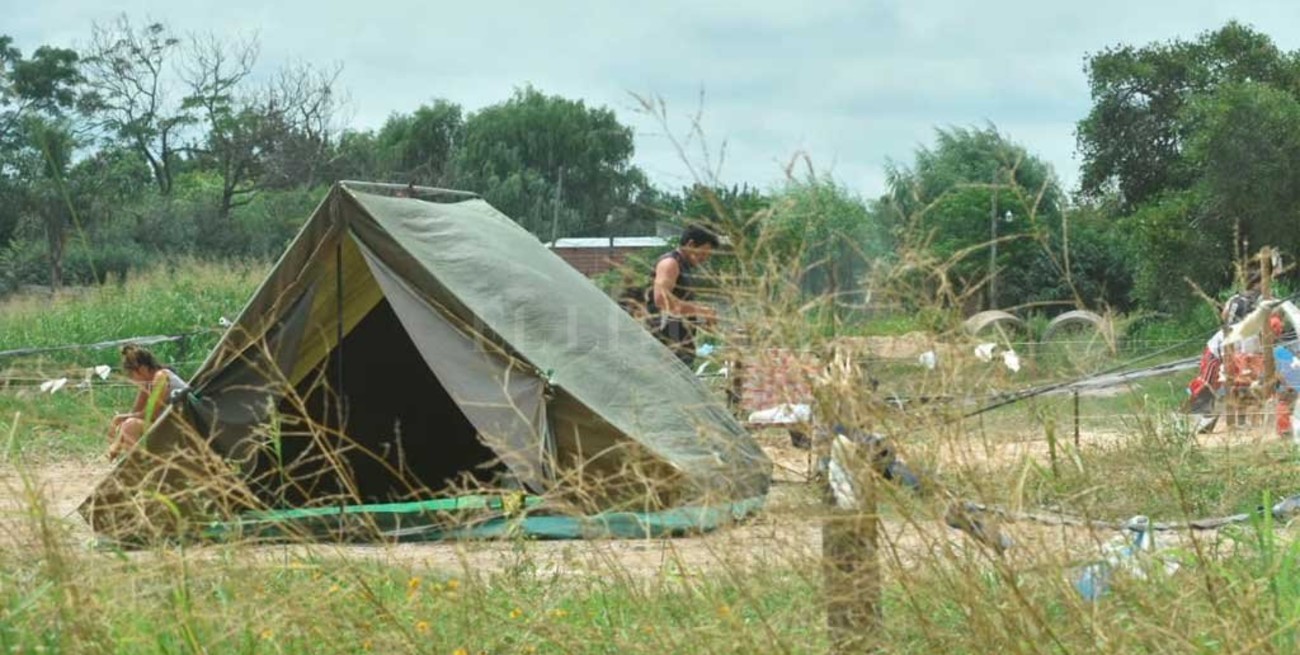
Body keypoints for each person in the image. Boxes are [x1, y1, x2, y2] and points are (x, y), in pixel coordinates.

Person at [645, 225, 721, 366]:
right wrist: (701, 311)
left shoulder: (684, 266)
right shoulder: (670, 263)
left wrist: (700, 320)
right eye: (702, 254)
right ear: (690, 244)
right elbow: (661, 300)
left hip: (680, 342)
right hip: (666, 344)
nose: (704, 259)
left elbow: (677, 310)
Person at [106, 344, 189, 459]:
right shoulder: (147, 383)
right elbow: (136, 411)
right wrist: (120, 422)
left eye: (131, 374)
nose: (131, 379)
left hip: (182, 429)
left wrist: (120, 422)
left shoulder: (161, 377)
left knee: (131, 426)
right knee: (125, 424)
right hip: (167, 425)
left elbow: (150, 414)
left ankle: (137, 467)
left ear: (142, 369)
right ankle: (132, 462)